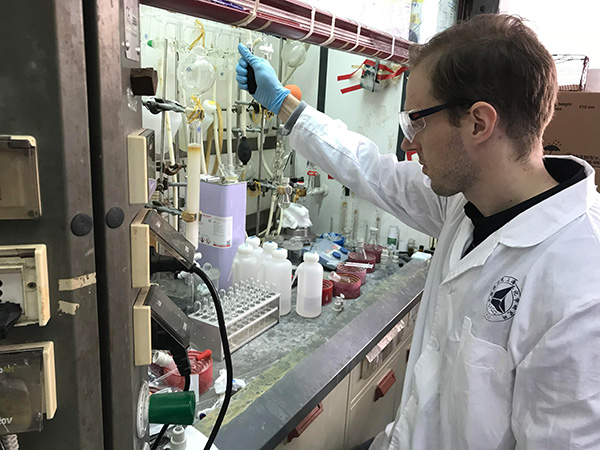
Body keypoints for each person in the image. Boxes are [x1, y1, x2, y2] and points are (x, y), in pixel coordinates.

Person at [236, 14, 600, 450]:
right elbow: (373, 170)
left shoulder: (582, 288)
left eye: (418, 121)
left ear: (479, 123)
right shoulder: (467, 202)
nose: (409, 142)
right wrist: (284, 104)